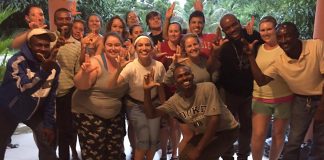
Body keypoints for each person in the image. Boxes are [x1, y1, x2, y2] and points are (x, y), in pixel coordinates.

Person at [245, 22, 324, 160]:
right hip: (301, 100)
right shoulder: (279, 60)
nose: (283, 40)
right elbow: (261, 80)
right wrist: (251, 56)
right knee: (293, 142)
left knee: (320, 142)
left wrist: (321, 109)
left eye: (287, 36)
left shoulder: (316, 46)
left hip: (321, 95)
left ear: (297, 35)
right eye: (280, 36)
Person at [142, 64, 239, 160]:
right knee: (184, 157)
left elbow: (214, 120)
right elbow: (151, 114)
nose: (184, 78)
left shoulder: (208, 88)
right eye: (180, 76)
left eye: (187, 74)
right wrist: (146, 91)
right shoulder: (175, 101)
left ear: (192, 76)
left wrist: (198, 150)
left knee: (199, 156)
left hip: (227, 130)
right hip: (205, 133)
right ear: (175, 82)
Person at [0, 28, 60, 160]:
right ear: (29, 45)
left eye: (46, 45)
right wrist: (44, 71)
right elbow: (25, 89)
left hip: (34, 111)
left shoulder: (55, 66)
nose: (43, 49)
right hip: (8, 110)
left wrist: (49, 124)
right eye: (39, 45)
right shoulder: (16, 61)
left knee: (48, 142)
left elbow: (51, 98)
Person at [108, 35, 166, 160]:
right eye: (140, 45)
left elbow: (160, 87)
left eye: (147, 45)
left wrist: (164, 107)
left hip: (154, 104)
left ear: (152, 48)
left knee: (153, 140)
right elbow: (112, 85)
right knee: (144, 140)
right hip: (135, 106)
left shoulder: (159, 66)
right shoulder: (131, 67)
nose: (144, 48)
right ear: (135, 48)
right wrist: (119, 69)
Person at [72, 32, 128, 160]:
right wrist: (85, 73)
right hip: (89, 113)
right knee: (94, 154)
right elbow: (81, 85)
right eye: (109, 45)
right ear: (104, 46)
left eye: (117, 45)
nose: (113, 48)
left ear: (122, 46)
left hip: (114, 114)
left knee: (115, 153)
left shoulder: (126, 62)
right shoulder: (95, 62)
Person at [216, 13, 262, 160]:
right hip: (228, 93)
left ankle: (243, 156)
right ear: (224, 31)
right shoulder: (223, 45)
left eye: (234, 25)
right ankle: (227, 156)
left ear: (239, 23)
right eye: (227, 28)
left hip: (249, 92)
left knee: (246, 128)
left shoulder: (253, 36)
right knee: (227, 128)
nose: (232, 29)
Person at [249, 16, 293, 160]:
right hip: (261, 97)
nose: (266, 33)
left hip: (284, 97)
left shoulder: (286, 47)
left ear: (276, 29)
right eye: (262, 30)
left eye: (269, 29)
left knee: (279, 134)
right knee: (258, 134)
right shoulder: (258, 47)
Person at [53, 8, 81, 160]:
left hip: (68, 92)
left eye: (67, 19)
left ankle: (67, 155)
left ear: (71, 21)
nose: (64, 22)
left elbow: (77, 73)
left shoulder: (77, 45)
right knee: (51, 131)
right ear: (55, 21)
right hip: (48, 93)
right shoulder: (48, 40)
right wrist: (55, 46)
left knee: (66, 130)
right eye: (60, 19)